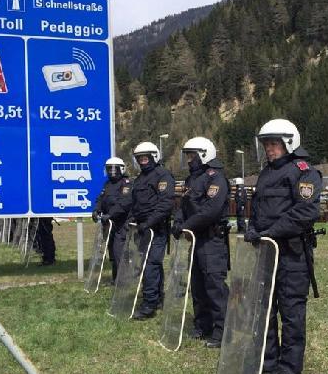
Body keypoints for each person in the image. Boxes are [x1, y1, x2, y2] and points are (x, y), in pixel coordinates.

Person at [244, 118, 321, 374]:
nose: (269, 149)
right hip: (267, 251)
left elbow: (306, 212)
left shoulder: (303, 171)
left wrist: (270, 232)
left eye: (274, 144)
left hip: (291, 253)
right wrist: (253, 229)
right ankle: (267, 360)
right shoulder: (266, 173)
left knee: (291, 311)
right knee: (265, 307)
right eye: (266, 144)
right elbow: (258, 208)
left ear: (289, 143)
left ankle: (289, 366)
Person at [172, 137, 230, 348]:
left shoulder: (216, 178)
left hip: (212, 240)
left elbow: (210, 211)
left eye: (192, 155)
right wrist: (178, 222)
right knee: (197, 284)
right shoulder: (191, 180)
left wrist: (187, 224)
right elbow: (183, 205)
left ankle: (222, 330)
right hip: (196, 239)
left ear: (204, 154)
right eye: (187, 155)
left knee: (214, 285)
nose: (189, 160)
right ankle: (202, 324)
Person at [129, 142, 175, 320]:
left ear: (154, 156)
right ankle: (157, 297)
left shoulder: (162, 175)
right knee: (148, 264)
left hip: (156, 228)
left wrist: (148, 223)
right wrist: (133, 219)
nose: (142, 161)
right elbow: (136, 203)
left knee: (151, 265)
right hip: (142, 229)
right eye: (139, 158)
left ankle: (149, 305)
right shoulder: (140, 178)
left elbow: (165, 205)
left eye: (145, 157)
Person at [92, 157, 132, 283]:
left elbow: (124, 203)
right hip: (109, 224)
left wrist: (111, 214)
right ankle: (116, 278)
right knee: (113, 252)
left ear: (121, 169)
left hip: (121, 223)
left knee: (119, 251)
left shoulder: (126, 183)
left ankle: (122, 279)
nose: (112, 172)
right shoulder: (107, 184)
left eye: (115, 169)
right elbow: (101, 198)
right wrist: (96, 209)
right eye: (109, 169)